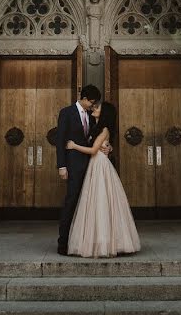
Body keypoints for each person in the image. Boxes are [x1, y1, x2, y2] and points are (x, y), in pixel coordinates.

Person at [66, 101, 140, 258]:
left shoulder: (104, 130)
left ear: (104, 113)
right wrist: (109, 147)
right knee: (98, 203)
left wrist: (74, 146)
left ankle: (103, 242)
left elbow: (93, 150)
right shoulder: (98, 128)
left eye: (97, 107)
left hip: (99, 165)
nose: (94, 108)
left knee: (100, 201)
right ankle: (100, 241)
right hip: (97, 164)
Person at [56, 84, 108, 255]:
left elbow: (95, 139)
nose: (92, 106)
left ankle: (83, 242)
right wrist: (62, 166)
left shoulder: (91, 116)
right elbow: (60, 140)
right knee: (71, 201)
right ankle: (63, 243)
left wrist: (108, 147)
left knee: (87, 203)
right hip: (73, 164)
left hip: (91, 164)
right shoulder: (66, 112)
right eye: (91, 102)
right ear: (84, 98)